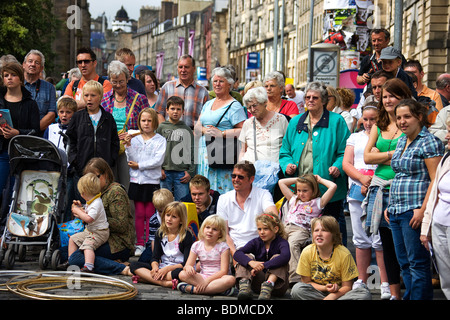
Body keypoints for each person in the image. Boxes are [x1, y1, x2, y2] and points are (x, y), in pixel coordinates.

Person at [386, 99, 444, 300]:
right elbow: (399, 175)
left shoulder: (429, 141)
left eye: (407, 116)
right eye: (399, 117)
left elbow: (435, 179)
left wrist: (423, 209)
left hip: (414, 210)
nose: (402, 121)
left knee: (417, 263)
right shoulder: (402, 140)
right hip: (395, 210)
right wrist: (390, 206)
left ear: (419, 117)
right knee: (404, 263)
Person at [279, 81, 350, 244]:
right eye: (307, 97)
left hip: (327, 188)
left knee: (331, 232)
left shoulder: (336, 121)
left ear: (324, 101)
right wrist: (287, 165)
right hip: (300, 191)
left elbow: (345, 151)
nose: (310, 100)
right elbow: (284, 152)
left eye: (315, 98)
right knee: (300, 234)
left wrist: (338, 167)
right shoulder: (295, 121)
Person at [362, 78, 412, 300]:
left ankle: (410, 291)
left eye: (393, 95)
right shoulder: (379, 125)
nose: (388, 100)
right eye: (385, 96)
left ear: (403, 97)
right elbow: (366, 156)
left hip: (403, 190)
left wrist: (380, 156)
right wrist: (392, 155)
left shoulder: (408, 123)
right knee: (387, 245)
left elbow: (407, 156)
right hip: (380, 190)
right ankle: (394, 295)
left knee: (405, 246)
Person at [342, 102, 391, 299]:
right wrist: (361, 179)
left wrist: (371, 182)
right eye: (366, 119)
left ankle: (385, 281)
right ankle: (361, 279)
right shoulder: (355, 137)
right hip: (357, 188)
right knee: (361, 238)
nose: (369, 123)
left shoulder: (387, 135)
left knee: (380, 239)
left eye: (374, 119)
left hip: (379, 188)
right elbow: (347, 163)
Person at [65, 158, 135, 275]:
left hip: (118, 243)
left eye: (96, 177)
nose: (92, 181)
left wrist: (93, 218)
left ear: (106, 174)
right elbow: (91, 216)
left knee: (76, 258)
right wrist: (82, 211)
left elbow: (122, 225)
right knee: (65, 250)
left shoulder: (115, 191)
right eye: (89, 178)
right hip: (96, 237)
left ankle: (120, 268)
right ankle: (110, 262)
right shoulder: (94, 193)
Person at [291, 216, 371, 300]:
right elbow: (306, 282)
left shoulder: (344, 254)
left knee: (364, 294)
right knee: (297, 289)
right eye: (316, 230)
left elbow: (347, 286)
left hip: (340, 294)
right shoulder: (307, 251)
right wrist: (325, 288)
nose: (319, 234)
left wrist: (332, 296)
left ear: (334, 234)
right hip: (317, 292)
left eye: (324, 230)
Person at [195, 67, 247, 194]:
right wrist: (204, 130)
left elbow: (245, 130)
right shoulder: (208, 104)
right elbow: (197, 127)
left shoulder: (234, 106)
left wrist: (222, 134)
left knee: (219, 190)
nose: (217, 84)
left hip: (221, 155)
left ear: (229, 84)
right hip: (204, 155)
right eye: (215, 81)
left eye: (221, 81)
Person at [66, 80, 120, 201]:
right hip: (81, 170)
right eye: (86, 95)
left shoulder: (108, 118)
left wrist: (110, 160)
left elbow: (114, 142)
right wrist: (75, 160)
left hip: (102, 172)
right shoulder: (77, 117)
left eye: (93, 95)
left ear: (100, 97)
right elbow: (70, 141)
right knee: (81, 203)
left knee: (103, 204)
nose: (89, 99)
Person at [278, 174, 336, 285]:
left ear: (313, 190)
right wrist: (300, 180)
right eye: (298, 190)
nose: (301, 193)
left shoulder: (318, 203)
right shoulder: (294, 199)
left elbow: (333, 186)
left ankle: (296, 278)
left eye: (305, 190)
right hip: (285, 228)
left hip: (301, 230)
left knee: (292, 244)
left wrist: (319, 179)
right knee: (272, 242)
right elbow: (281, 182)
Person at [100, 60, 149, 190]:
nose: (118, 85)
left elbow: (150, 124)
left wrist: (133, 133)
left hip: (131, 148)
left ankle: (129, 211)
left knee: (128, 187)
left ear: (127, 79)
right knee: (109, 186)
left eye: (121, 81)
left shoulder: (139, 99)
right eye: (114, 81)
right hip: (110, 148)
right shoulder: (104, 99)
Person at [124, 108, 166, 256]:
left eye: (149, 121)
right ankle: (139, 243)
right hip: (136, 180)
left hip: (151, 180)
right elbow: (131, 158)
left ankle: (150, 241)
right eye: (143, 120)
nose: (146, 123)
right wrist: (128, 145)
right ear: (139, 122)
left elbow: (158, 160)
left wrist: (139, 166)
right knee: (139, 213)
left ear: (154, 122)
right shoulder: (134, 138)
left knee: (150, 213)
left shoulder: (160, 140)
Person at [217, 162, 278, 259]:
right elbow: (224, 233)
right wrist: (235, 254)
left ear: (251, 179)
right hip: (232, 247)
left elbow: (274, 216)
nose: (235, 179)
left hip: (258, 245)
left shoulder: (263, 194)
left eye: (240, 177)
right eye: (233, 176)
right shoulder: (223, 198)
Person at [129, 201, 194, 289]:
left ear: (181, 220)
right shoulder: (160, 233)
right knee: (134, 265)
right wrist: (155, 267)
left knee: (182, 274)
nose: (169, 219)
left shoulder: (186, 235)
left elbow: (186, 263)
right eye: (167, 215)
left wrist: (167, 269)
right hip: (163, 266)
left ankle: (147, 279)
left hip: (177, 267)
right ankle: (165, 283)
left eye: (174, 217)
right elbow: (155, 257)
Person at [0, 62, 40, 199]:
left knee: (17, 193)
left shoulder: (30, 103)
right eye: (6, 75)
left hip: (22, 153)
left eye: (13, 75)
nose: (9, 78)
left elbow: (36, 130)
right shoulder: (0, 100)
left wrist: (18, 133)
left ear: (21, 79)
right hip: (2, 151)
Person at [421, 115, 450, 299]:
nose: (447, 136)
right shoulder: (446, 157)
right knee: (446, 275)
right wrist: (426, 227)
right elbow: (434, 196)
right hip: (439, 223)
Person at [234, 212, 290, 300]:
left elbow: (285, 256)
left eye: (266, 229)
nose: (262, 232)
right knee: (246, 257)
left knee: (278, 258)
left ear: (275, 229)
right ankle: (244, 287)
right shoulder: (256, 242)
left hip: (277, 286)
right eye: (259, 229)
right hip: (258, 285)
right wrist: (251, 263)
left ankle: (268, 285)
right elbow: (237, 254)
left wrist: (263, 266)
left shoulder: (282, 242)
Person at [177, 214, 236, 295]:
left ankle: (193, 289)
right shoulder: (197, 245)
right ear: (203, 229)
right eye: (207, 227)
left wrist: (207, 281)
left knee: (231, 280)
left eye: (214, 229)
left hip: (218, 278)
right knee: (182, 274)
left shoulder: (223, 247)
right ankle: (219, 290)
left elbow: (224, 271)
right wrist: (189, 268)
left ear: (220, 233)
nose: (210, 231)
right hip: (202, 277)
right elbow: (187, 265)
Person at [154, 54, 209, 129]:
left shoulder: (202, 92)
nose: (183, 70)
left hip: (193, 134)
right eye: (180, 67)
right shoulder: (167, 87)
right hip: (170, 133)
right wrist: (166, 130)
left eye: (186, 67)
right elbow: (158, 113)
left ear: (194, 69)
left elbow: (206, 118)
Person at [69, 173, 110, 272]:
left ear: (86, 192)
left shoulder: (97, 203)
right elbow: (86, 215)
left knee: (88, 245)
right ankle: (71, 260)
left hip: (99, 232)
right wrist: (79, 209)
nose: (81, 195)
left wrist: (78, 211)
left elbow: (88, 219)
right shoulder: (91, 201)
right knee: (73, 239)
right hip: (90, 231)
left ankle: (89, 266)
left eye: (82, 193)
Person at [156, 96, 194, 201]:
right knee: (164, 201)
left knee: (182, 202)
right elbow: (156, 149)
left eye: (178, 109)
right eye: (172, 109)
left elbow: (191, 150)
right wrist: (159, 168)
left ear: (183, 112)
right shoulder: (162, 127)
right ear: (167, 110)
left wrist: (190, 171)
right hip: (165, 171)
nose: (175, 112)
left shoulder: (186, 129)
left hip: (181, 173)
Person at [46, 96, 77, 222]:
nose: (64, 115)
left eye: (68, 112)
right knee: (50, 201)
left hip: (68, 172)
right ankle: (50, 229)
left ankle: (64, 232)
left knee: (67, 202)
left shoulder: (75, 129)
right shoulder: (51, 128)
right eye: (62, 112)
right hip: (52, 171)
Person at [239, 86, 288, 164]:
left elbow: (288, 148)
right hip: (251, 172)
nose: (252, 110)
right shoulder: (247, 123)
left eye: (255, 105)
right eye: (249, 107)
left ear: (264, 102)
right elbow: (242, 151)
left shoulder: (281, 120)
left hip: (274, 172)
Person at [22, 50, 56, 134]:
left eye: (37, 63)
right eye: (30, 61)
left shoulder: (49, 87)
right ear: (24, 64)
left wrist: (33, 131)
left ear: (41, 68)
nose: (33, 64)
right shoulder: (16, 85)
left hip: (39, 136)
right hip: (16, 135)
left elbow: (51, 114)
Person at [139, 188, 174, 261]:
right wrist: (156, 258)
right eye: (160, 211)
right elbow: (153, 241)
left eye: (166, 210)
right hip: (156, 245)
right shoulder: (154, 220)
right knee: (143, 260)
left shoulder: (176, 216)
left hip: (172, 244)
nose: (163, 214)